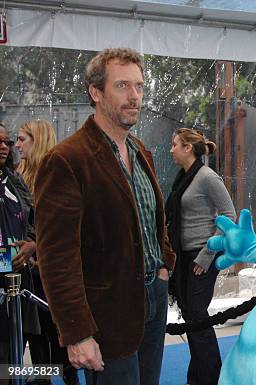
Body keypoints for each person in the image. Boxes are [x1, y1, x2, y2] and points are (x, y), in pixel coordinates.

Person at [34, 48, 176, 385]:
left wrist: (164, 266)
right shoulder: (67, 160)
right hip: (107, 311)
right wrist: (76, 333)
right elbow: (56, 257)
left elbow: (154, 220)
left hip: (153, 297)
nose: (135, 97)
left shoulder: (140, 151)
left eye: (140, 86)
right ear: (95, 92)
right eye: (122, 86)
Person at [165, 128, 236, 385]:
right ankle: (200, 377)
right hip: (185, 257)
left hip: (200, 258)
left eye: (175, 144)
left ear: (187, 148)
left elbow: (230, 214)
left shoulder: (207, 177)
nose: (171, 149)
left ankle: (211, 378)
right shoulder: (183, 178)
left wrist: (207, 255)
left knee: (196, 315)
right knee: (192, 316)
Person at [15, 119, 79, 385]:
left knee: (57, 336)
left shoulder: (53, 175)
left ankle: (67, 377)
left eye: (22, 139)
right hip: (27, 272)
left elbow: (65, 225)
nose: (16, 145)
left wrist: (37, 246)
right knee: (35, 336)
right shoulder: (16, 175)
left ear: (37, 140)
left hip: (50, 271)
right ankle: (43, 378)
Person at [0, 123, 39, 385]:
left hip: (17, 277)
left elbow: (35, 219)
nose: (5, 147)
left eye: (7, 142)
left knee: (11, 353)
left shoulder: (14, 180)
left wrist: (32, 243)